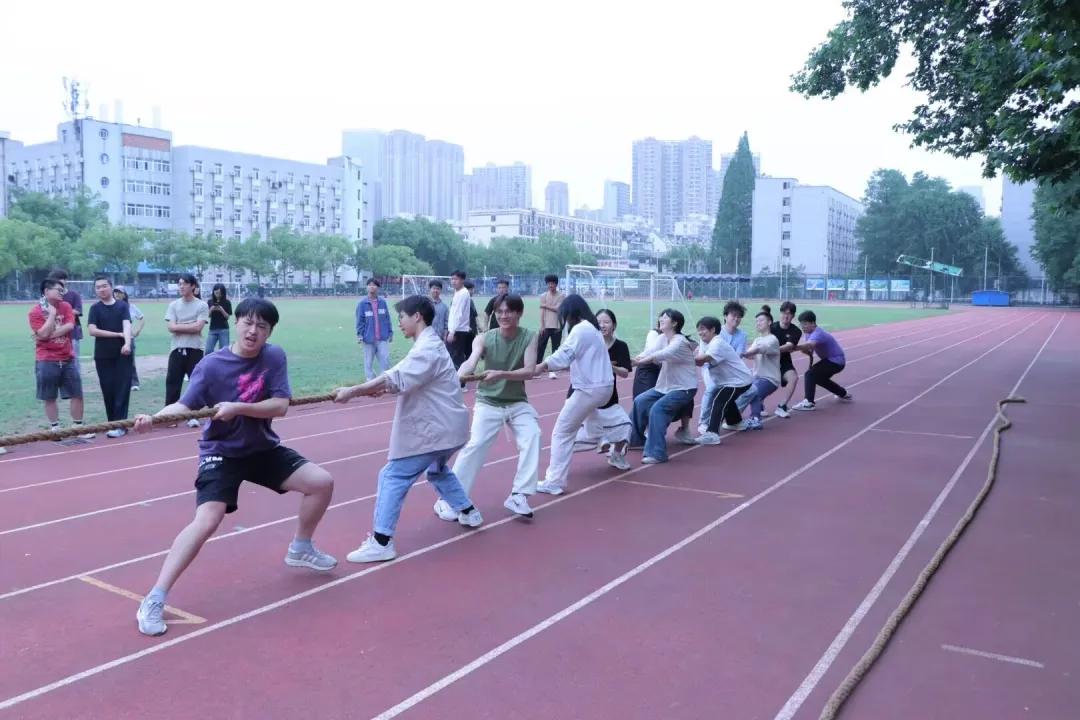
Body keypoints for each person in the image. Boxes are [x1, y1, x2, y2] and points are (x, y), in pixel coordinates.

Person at [131, 298, 337, 637]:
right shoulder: (212, 366)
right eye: (248, 323)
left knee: (321, 482)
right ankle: (155, 597)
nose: (253, 331)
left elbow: (280, 405)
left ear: (270, 332)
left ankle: (301, 547)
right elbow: (184, 405)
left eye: (262, 326)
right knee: (207, 520)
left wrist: (238, 407)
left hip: (261, 449)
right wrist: (154, 419)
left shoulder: (274, 356)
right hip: (221, 452)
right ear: (236, 323)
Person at [334, 295, 483, 562]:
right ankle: (469, 512)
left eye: (402, 317)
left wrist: (353, 391)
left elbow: (397, 377)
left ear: (417, 316)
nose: (399, 322)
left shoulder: (428, 348)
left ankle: (382, 541)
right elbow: (402, 376)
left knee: (392, 476)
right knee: (437, 470)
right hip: (450, 429)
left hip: (438, 431)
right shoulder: (428, 345)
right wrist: (381, 388)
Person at [434, 293, 540, 521]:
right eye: (499, 312)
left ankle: (519, 495)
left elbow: (530, 371)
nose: (504, 316)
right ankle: (448, 499)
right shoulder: (483, 338)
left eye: (509, 311)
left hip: (517, 402)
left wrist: (500, 374)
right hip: (488, 401)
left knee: (533, 435)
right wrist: (460, 375)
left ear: (519, 313)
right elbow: (471, 361)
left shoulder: (530, 337)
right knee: (476, 446)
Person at [535, 295, 614, 495]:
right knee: (587, 412)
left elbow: (565, 354)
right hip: (603, 387)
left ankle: (554, 481)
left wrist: (543, 365)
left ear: (570, 313)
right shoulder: (593, 328)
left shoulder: (581, 329)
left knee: (561, 432)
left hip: (590, 389)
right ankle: (599, 435)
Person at [27, 277, 94, 440]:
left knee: (77, 393)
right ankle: (55, 428)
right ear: (46, 291)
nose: (62, 293)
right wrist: (51, 315)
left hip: (67, 358)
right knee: (49, 396)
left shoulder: (66, 306)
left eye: (63, 290)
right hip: (46, 359)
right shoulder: (35, 312)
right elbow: (42, 333)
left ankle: (78, 427)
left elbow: (69, 326)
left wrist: (45, 335)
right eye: (59, 290)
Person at [629, 309, 698, 464]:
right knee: (640, 401)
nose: (661, 319)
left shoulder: (679, 341)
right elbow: (649, 352)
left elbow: (662, 354)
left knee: (657, 409)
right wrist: (633, 360)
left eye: (665, 317)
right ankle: (636, 440)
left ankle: (657, 453)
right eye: (661, 316)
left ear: (674, 323)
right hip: (665, 386)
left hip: (684, 388)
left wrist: (639, 362)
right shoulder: (661, 338)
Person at [572, 308, 634, 471]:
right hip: (586, 396)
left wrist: (609, 366)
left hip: (608, 398)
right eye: (598, 322)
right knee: (570, 436)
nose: (602, 325)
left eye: (606, 322)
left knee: (625, 425)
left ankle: (616, 455)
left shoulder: (621, 346)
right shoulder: (588, 344)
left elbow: (625, 372)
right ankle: (558, 464)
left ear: (614, 325)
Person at [693, 316, 753, 445]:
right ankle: (735, 422)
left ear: (713, 329)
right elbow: (699, 362)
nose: (700, 332)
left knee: (719, 399)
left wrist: (682, 357)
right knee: (725, 398)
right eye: (698, 330)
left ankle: (712, 434)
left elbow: (703, 359)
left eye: (703, 329)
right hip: (728, 381)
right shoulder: (704, 342)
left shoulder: (717, 343)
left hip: (739, 380)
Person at [87, 276, 134, 439]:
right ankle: (112, 423)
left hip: (122, 354)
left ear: (111, 287)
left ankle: (121, 425)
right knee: (108, 389)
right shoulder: (95, 309)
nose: (101, 289)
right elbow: (92, 330)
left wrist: (127, 343)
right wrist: (117, 334)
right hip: (103, 355)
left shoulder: (122, 306)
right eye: (98, 287)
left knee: (122, 388)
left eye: (104, 286)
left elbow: (127, 325)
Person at [165, 274, 210, 428]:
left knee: (195, 383)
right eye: (179, 284)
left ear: (193, 286)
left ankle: (193, 415)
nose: (181, 287)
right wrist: (189, 325)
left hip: (195, 349)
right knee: (173, 383)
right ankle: (170, 417)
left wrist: (179, 326)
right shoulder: (173, 305)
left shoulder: (202, 305)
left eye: (184, 284)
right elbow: (171, 327)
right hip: (177, 348)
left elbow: (198, 328)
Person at [792, 310, 853, 410]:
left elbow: (810, 345)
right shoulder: (808, 333)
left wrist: (794, 347)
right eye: (801, 324)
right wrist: (803, 350)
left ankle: (809, 403)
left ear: (813, 323)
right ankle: (842, 393)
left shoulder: (818, 333)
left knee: (810, 374)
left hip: (836, 361)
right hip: (832, 361)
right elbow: (810, 350)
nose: (802, 326)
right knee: (819, 378)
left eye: (805, 324)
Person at [736, 306, 782, 430]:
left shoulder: (772, 339)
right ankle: (759, 409)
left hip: (770, 379)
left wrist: (744, 353)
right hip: (757, 377)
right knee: (746, 390)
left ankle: (755, 419)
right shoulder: (757, 339)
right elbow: (751, 354)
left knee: (753, 392)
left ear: (769, 322)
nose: (758, 323)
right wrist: (740, 352)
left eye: (761, 320)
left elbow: (757, 350)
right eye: (756, 321)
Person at [355, 278, 393, 381]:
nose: (372, 286)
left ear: (378, 288)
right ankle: (370, 382)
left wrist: (390, 332)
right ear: (367, 287)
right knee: (368, 363)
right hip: (368, 339)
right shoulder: (362, 304)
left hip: (382, 338)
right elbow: (360, 321)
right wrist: (360, 335)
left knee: (385, 362)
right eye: (370, 285)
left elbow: (387, 318)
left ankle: (384, 382)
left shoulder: (382, 302)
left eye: (374, 285)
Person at [771, 301, 803, 418]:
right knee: (764, 382)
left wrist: (773, 350)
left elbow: (789, 346)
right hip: (769, 361)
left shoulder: (796, 331)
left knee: (793, 377)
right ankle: (759, 405)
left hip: (784, 361)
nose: (786, 316)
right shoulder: (771, 327)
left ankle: (782, 406)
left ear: (793, 316)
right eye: (784, 313)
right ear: (780, 313)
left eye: (789, 314)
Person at [49, 269, 84, 371]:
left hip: (72, 333)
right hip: (55, 333)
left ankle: (76, 379)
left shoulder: (74, 295)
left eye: (63, 279)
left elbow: (78, 311)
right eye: (58, 279)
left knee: (74, 359)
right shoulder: (49, 296)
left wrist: (62, 313)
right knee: (55, 359)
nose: (61, 281)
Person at [113, 287, 145, 391]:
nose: (117, 294)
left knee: (130, 361)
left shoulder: (131, 307)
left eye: (119, 292)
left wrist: (137, 330)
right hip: (115, 337)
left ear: (125, 294)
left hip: (129, 338)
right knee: (115, 360)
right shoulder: (111, 306)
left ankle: (134, 382)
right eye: (115, 292)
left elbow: (142, 318)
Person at [536, 274, 566, 379]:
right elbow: (542, 312)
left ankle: (552, 371)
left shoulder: (562, 296)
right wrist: (542, 325)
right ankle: (537, 369)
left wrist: (544, 305)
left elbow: (558, 309)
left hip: (557, 326)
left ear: (556, 284)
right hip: (546, 326)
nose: (550, 285)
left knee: (555, 348)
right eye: (548, 283)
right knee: (540, 347)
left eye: (552, 283)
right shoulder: (543, 296)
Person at [446, 270, 474, 372]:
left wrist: (452, 332)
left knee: (455, 357)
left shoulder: (463, 293)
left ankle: (460, 379)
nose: (453, 281)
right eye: (452, 279)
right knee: (454, 356)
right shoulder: (457, 292)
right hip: (456, 329)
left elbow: (458, 314)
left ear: (462, 280)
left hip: (458, 330)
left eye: (456, 279)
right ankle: (460, 378)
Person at [632, 317, 665, 399]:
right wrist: (638, 360)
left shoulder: (675, 337)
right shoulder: (654, 333)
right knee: (644, 399)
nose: (663, 321)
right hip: (647, 370)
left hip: (661, 372)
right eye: (662, 320)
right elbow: (651, 352)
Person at [205, 284, 233, 354]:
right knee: (208, 350)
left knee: (224, 351)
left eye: (220, 293)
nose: (218, 295)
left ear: (223, 293)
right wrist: (211, 309)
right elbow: (208, 316)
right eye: (216, 293)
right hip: (212, 329)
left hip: (224, 329)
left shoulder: (227, 302)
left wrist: (221, 309)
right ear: (213, 292)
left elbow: (227, 317)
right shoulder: (210, 301)